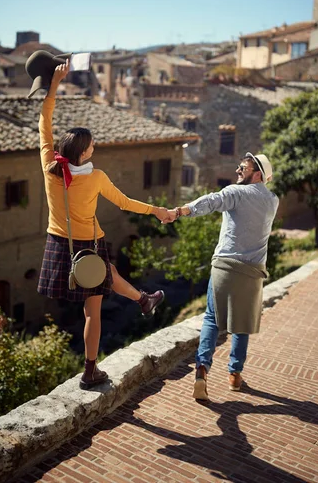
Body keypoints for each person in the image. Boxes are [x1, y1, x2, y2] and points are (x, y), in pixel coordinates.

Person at [38, 60, 167, 390]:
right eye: (92, 146)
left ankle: (143, 300)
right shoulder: (95, 177)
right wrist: (155, 210)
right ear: (82, 153)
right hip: (89, 245)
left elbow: (44, 121)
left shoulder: (49, 166)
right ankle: (90, 370)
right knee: (93, 311)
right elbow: (124, 202)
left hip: (58, 245)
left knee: (110, 274)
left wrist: (54, 83)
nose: (95, 148)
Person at [164, 153, 279, 400]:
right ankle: (234, 377)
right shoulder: (273, 200)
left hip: (225, 266)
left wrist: (182, 210)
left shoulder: (236, 193)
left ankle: (202, 372)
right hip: (252, 271)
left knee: (211, 319)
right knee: (242, 323)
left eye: (243, 167)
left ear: (257, 173)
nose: (238, 170)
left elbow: (213, 201)